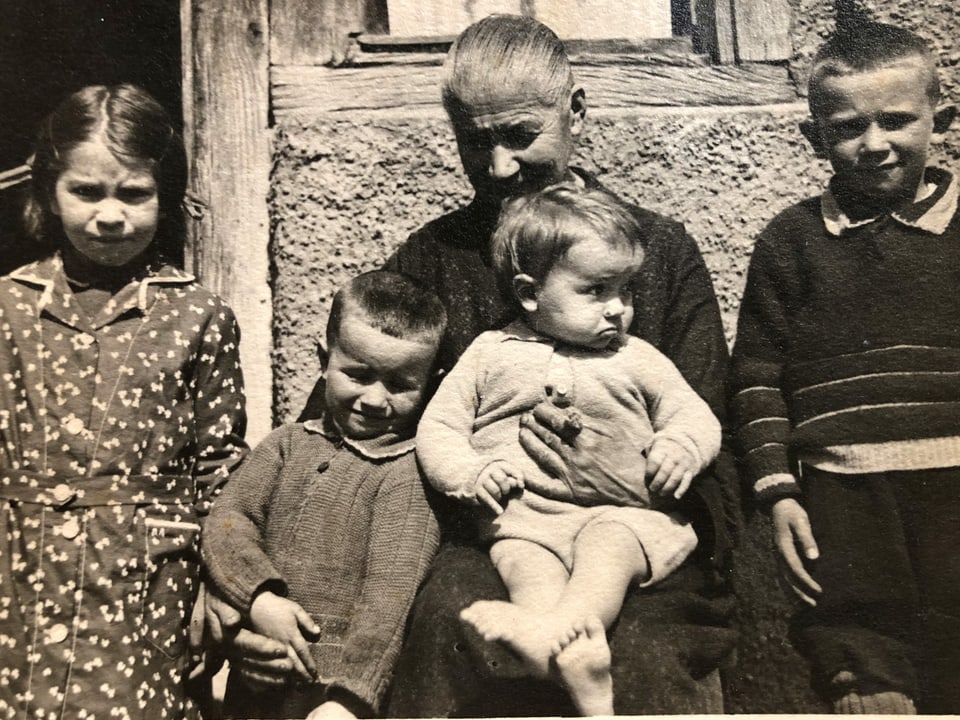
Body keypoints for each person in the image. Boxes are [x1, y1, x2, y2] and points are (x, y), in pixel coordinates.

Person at [214, 14, 739, 716]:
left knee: (639, 653)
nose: (498, 167)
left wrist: (628, 473)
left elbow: (714, 455)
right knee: (447, 622)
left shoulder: (658, 255)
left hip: (638, 544)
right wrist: (250, 595)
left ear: (575, 111)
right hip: (489, 542)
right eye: (474, 141)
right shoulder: (432, 259)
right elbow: (336, 444)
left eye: (521, 136)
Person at [416, 184, 722, 715]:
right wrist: (470, 473)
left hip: (624, 516)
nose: (618, 310)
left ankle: (563, 629)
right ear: (530, 293)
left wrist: (681, 445)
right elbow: (439, 428)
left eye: (626, 291)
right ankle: (569, 658)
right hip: (529, 520)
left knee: (607, 546)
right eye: (596, 290)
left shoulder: (638, 358)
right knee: (521, 561)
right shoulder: (489, 354)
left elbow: (691, 413)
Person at [728, 21, 960, 715]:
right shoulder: (793, 241)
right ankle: (870, 685)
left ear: (941, 122)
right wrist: (778, 491)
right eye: (849, 126)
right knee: (858, 640)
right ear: (814, 138)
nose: (874, 143)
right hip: (842, 491)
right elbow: (757, 373)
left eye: (896, 121)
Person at [0, 84, 247, 719]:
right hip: (19, 575)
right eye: (86, 191)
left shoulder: (198, 315)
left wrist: (217, 588)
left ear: (166, 196)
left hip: (142, 584)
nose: (110, 215)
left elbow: (221, 470)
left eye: (133, 193)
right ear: (50, 192)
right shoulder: (9, 308)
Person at [201, 271, 444, 719]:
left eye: (399, 384)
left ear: (429, 384)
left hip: (330, 702)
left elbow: (389, 600)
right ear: (322, 360)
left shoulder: (406, 474)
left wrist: (348, 698)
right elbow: (228, 521)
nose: (375, 399)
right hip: (255, 684)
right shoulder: (286, 445)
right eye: (359, 375)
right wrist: (258, 600)